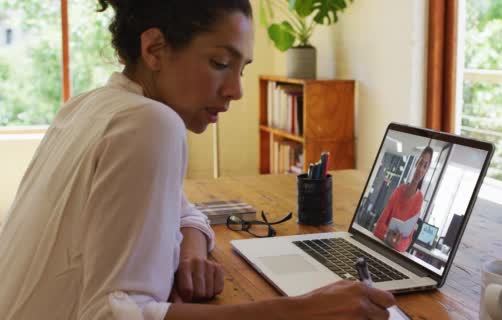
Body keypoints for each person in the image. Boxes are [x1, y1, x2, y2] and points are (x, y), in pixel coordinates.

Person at [0, 1, 395, 319]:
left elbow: (183, 209)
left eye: (242, 69)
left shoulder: (90, 106)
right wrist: (305, 309)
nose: (236, 91)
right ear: (154, 48)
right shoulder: (150, 122)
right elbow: (111, 314)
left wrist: (190, 253)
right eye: (221, 63)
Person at [373, 147, 434, 252]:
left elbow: (406, 243)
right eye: (420, 163)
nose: (420, 169)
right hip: (380, 247)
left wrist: (396, 242)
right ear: (416, 163)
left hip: (394, 254)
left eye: (425, 166)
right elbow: (378, 227)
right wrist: (389, 236)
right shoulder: (399, 190)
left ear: (426, 171)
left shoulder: (419, 199)